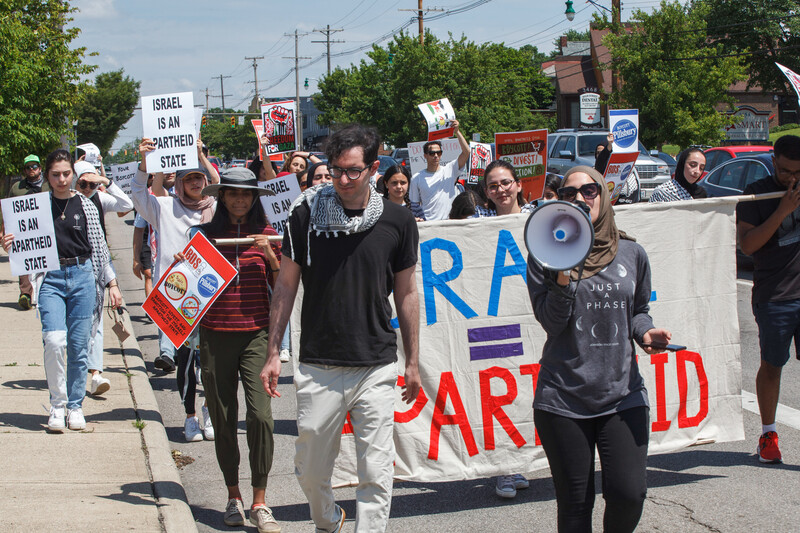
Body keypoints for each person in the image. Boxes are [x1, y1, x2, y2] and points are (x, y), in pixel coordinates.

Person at [260, 124, 421, 533]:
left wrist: (413, 360)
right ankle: (328, 519)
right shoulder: (306, 214)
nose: (343, 180)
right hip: (318, 360)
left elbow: (406, 294)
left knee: (376, 469)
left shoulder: (398, 220)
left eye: (353, 171)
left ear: (373, 168)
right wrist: (273, 351)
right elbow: (286, 284)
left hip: (376, 363)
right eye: (335, 171)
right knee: (310, 470)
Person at [527, 165, 672, 532]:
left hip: (622, 395)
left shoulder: (632, 252)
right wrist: (562, 272)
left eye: (588, 191)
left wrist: (647, 333)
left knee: (629, 493)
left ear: (603, 196)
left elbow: (638, 312)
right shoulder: (543, 254)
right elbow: (552, 323)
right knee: (575, 504)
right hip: (563, 398)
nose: (579, 198)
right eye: (569, 193)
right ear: (559, 203)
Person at [186, 168, 282, 532]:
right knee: (224, 419)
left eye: (246, 194)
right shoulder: (206, 236)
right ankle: (233, 496)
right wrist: (185, 266)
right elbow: (189, 286)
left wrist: (269, 255)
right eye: (232, 194)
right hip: (214, 336)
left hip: (257, 335)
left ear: (254, 198)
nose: (240, 200)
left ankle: (260, 500)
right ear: (222, 198)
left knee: (261, 416)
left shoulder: (271, 235)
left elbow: (282, 285)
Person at [2, 149, 122, 431]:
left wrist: (112, 283)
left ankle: (75, 406)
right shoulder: (35, 206)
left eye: (66, 173)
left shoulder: (86, 205)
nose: (61, 179)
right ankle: (57, 404)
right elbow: (22, 243)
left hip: (83, 277)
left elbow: (99, 248)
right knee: (55, 341)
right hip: (51, 279)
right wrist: (10, 244)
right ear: (47, 176)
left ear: (73, 174)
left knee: (80, 347)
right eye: (55, 174)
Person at [132, 139, 216, 441]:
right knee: (186, 362)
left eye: (199, 178)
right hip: (177, 297)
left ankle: (209, 411)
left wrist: (200, 155)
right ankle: (190, 416)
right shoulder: (164, 207)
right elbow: (138, 194)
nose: (195, 183)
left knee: (212, 362)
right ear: (179, 183)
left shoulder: (215, 210)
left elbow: (223, 186)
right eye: (189, 178)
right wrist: (145, 162)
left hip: (211, 297)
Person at [736, 134, 800, 464]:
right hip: (775, 296)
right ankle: (768, 433)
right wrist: (783, 210)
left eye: (798, 173)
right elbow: (747, 245)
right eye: (787, 171)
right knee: (772, 366)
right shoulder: (756, 193)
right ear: (774, 162)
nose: (793, 179)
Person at [73, 160, 134, 396]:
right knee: (76, 326)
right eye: (83, 182)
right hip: (72, 267)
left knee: (96, 322)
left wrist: (106, 182)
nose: (87, 187)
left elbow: (126, 204)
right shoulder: (64, 203)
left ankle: (95, 374)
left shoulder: (98, 198)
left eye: (91, 182)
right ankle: (79, 368)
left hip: (96, 265)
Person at [8, 154, 50, 310]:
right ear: (24, 170)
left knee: (47, 263)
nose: (31, 169)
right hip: (23, 232)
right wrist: (3, 230)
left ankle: (47, 293)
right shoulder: (16, 188)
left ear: (39, 168)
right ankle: (25, 294)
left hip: (45, 230)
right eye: (28, 167)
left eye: (34, 166)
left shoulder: (49, 185)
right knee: (23, 263)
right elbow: (8, 210)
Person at [408, 119, 470, 221]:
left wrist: (457, 132)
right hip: (428, 224)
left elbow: (466, 152)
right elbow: (414, 205)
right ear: (425, 156)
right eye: (432, 153)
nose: (436, 156)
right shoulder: (417, 178)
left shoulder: (450, 170)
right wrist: (420, 220)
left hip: (448, 222)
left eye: (439, 153)